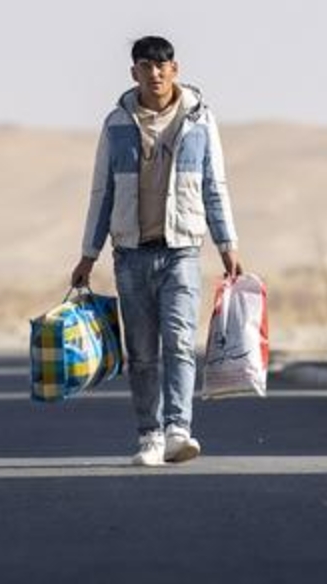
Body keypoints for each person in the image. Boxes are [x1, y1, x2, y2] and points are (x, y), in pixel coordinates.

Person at [70, 36, 241, 467]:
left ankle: (178, 430)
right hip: (130, 253)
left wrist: (228, 245)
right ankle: (149, 435)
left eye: (163, 65)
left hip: (182, 250)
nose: (156, 73)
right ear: (135, 73)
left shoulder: (200, 121)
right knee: (143, 352)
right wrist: (89, 253)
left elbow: (213, 187)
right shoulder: (117, 124)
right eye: (147, 66)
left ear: (176, 69)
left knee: (180, 343)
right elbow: (101, 191)